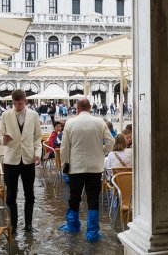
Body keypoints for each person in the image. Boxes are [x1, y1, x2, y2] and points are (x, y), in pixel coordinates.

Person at [59, 98, 114, 242]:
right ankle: (92, 232)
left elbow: (64, 147)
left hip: (76, 167)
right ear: (90, 107)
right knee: (93, 198)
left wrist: (65, 163)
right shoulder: (100, 122)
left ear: (77, 108)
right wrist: (101, 152)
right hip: (95, 167)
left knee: (75, 196)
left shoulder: (70, 123)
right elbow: (111, 142)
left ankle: (73, 226)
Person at [0, 89, 42, 234]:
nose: (17, 106)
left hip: (28, 159)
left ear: (26, 101)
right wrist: (3, 140)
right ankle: (13, 224)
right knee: (11, 194)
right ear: (12, 102)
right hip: (11, 160)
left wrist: (37, 153)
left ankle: (28, 224)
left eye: (20, 103)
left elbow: (37, 138)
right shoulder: (5, 115)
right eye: (15, 103)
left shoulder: (34, 115)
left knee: (29, 193)